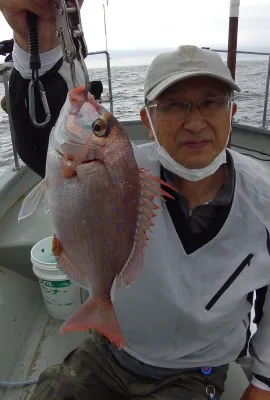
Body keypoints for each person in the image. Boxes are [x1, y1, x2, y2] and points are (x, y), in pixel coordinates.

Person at [1, 1, 270, 399]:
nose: (195, 121)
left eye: (212, 102)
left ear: (231, 112)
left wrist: (264, 382)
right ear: (146, 121)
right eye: (174, 105)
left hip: (195, 370)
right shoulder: (122, 169)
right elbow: (43, 140)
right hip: (110, 351)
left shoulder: (263, 197)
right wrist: (33, 42)